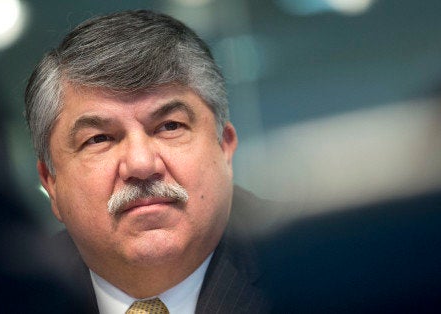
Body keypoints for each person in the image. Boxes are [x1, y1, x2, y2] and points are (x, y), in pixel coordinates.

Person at [24, 9, 272, 313]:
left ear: (225, 148)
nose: (141, 165)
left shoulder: (315, 272)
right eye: (99, 139)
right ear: (51, 182)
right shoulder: (2, 297)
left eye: (170, 126)